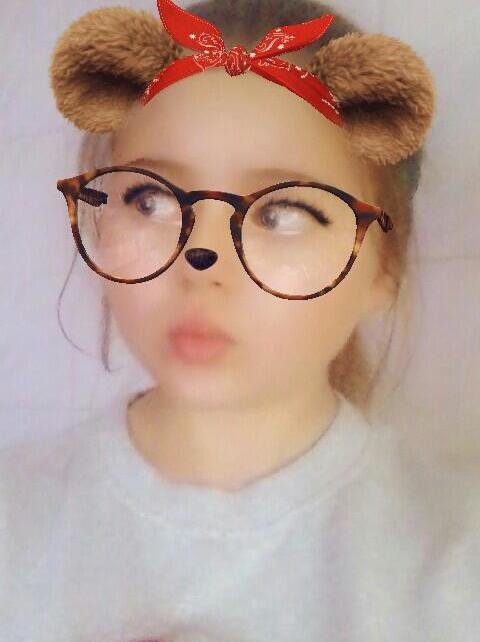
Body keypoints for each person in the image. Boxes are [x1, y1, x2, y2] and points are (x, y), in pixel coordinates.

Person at [0, 0, 478, 641]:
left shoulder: (458, 561)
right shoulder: (14, 523)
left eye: (283, 213)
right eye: (150, 198)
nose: (202, 262)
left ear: (383, 267)